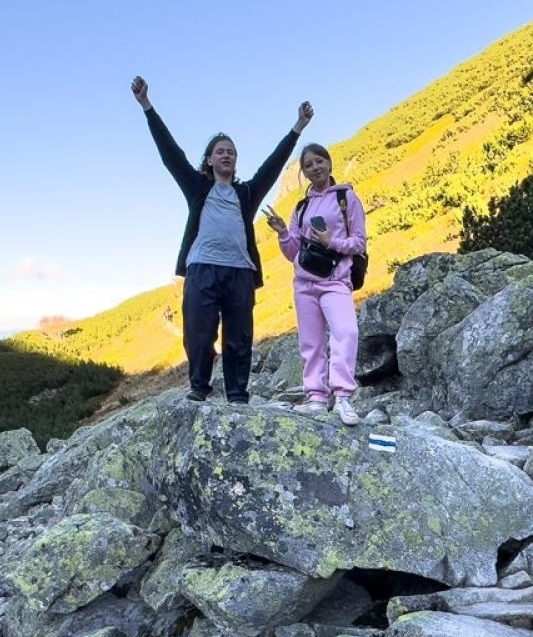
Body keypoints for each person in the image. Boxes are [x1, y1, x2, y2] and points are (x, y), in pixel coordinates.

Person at [130, 76, 313, 403]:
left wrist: (297, 127)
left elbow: (272, 166)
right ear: (210, 160)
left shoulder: (246, 193)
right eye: (220, 152)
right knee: (199, 336)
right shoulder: (198, 186)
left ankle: (237, 395)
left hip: (240, 272)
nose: (226, 155)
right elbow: (171, 153)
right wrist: (147, 106)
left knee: (239, 338)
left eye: (231, 152)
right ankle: (199, 388)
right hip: (202, 269)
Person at [264, 143, 366, 426]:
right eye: (308, 165)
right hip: (304, 284)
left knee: (346, 331)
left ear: (330, 163)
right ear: (304, 173)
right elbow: (293, 252)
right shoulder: (302, 206)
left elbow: (358, 242)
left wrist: (329, 242)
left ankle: (343, 397)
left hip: (335, 281)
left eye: (319, 161)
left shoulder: (347, 198)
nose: (315, 168)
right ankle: (316, 399)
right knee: (311, 342)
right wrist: (283, 232)